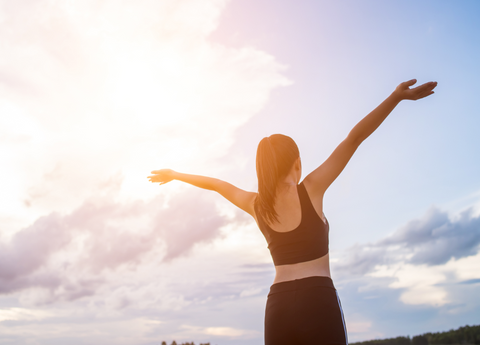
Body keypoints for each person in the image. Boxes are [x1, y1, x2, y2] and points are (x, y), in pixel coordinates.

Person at [147, 79, 437, 345]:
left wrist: (175, 174)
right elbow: (353, 139)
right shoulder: (312, 188)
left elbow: (217, 185)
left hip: (279, 304)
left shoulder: (256, 204)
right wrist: (395, 98)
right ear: (297, 164)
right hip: (318, 298)